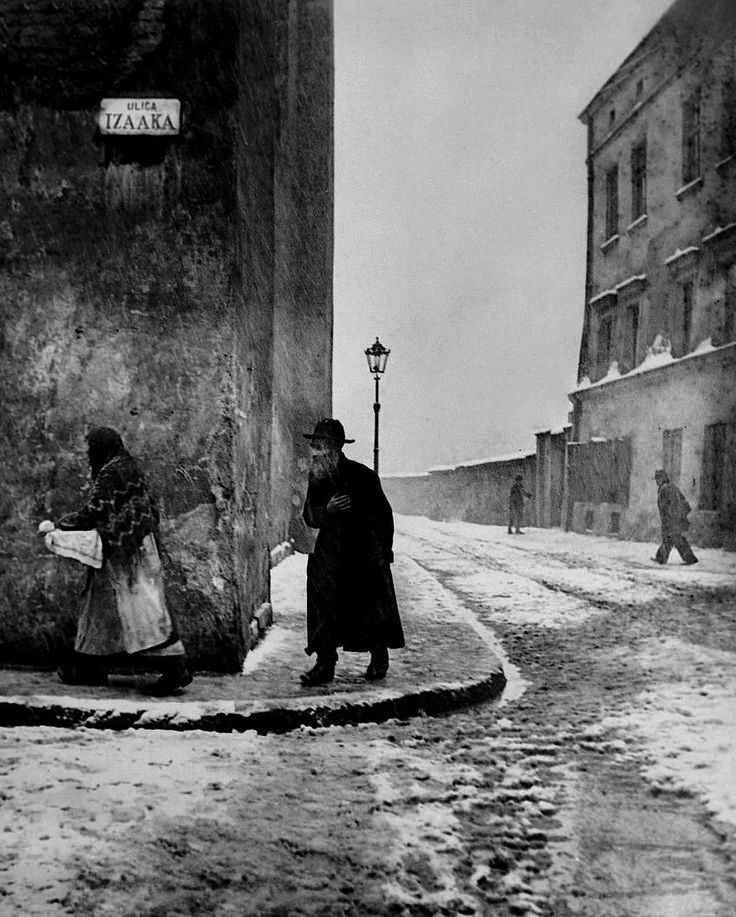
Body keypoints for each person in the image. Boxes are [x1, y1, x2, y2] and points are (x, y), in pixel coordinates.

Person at [53, 426, 193, 695]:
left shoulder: (111, 473)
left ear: (101, 448)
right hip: (134, 546)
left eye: (91, 449)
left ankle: (175, 667)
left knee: (144, 610)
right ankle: (90, 666)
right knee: (101, 607)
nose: (88, 454)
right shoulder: (127, 465)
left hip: (127, 556)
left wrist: (62, 525)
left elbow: (96, 512)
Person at [300, 418, 405, 686]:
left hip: (361, 556)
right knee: (324, 610)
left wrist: (382, 552)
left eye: (320, 446)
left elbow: (384, 515)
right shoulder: (318, 479)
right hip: (328, 557)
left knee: (369, 609)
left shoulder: (362, 476)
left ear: (334, 448)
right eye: (314, 446)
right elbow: (309, 516)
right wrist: (327, 510)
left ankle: (379, 657)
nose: (315, 452)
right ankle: (325, 664)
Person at [653, 469, 698, 565]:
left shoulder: (666, 488)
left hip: (672, 519)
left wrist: (670, 519)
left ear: (663, 478)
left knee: (675, 539)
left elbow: (670, 505)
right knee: (670, 539)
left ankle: (690, 559)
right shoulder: (671, 487)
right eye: (656, 479)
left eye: (659, 478)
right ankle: (661, 557)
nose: (657, 481)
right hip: (674, 518)